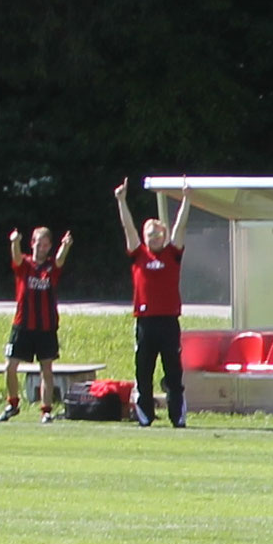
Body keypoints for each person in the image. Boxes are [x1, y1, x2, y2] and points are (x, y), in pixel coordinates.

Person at [116, 178, 193, 427]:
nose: (154, 238)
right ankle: (145, 415)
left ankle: (177, 416)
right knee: (143, 371)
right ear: (144, 237)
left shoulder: (172, 253)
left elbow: (181, 227)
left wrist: (186, 200)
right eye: (150, 235)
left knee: (173, 372)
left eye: (158, 234)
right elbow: (128, 229)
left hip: (169, 321)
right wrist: (121, 200)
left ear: (164, 235)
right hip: (145, 322)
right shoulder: (138, 254)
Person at [0, 225, 73, 423]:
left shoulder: (50, 267)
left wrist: (65, 246)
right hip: (22, 324)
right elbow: (15, 257)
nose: (41, 248)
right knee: (10, 366)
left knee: (46, 369)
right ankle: (12, 404)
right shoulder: (25, 263)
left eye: (45, 245)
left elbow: (59, 261)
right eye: (38, 243)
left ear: (49, 246)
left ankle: (46, 410)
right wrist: (14, 241)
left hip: (46, 327)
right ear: (32, 243)